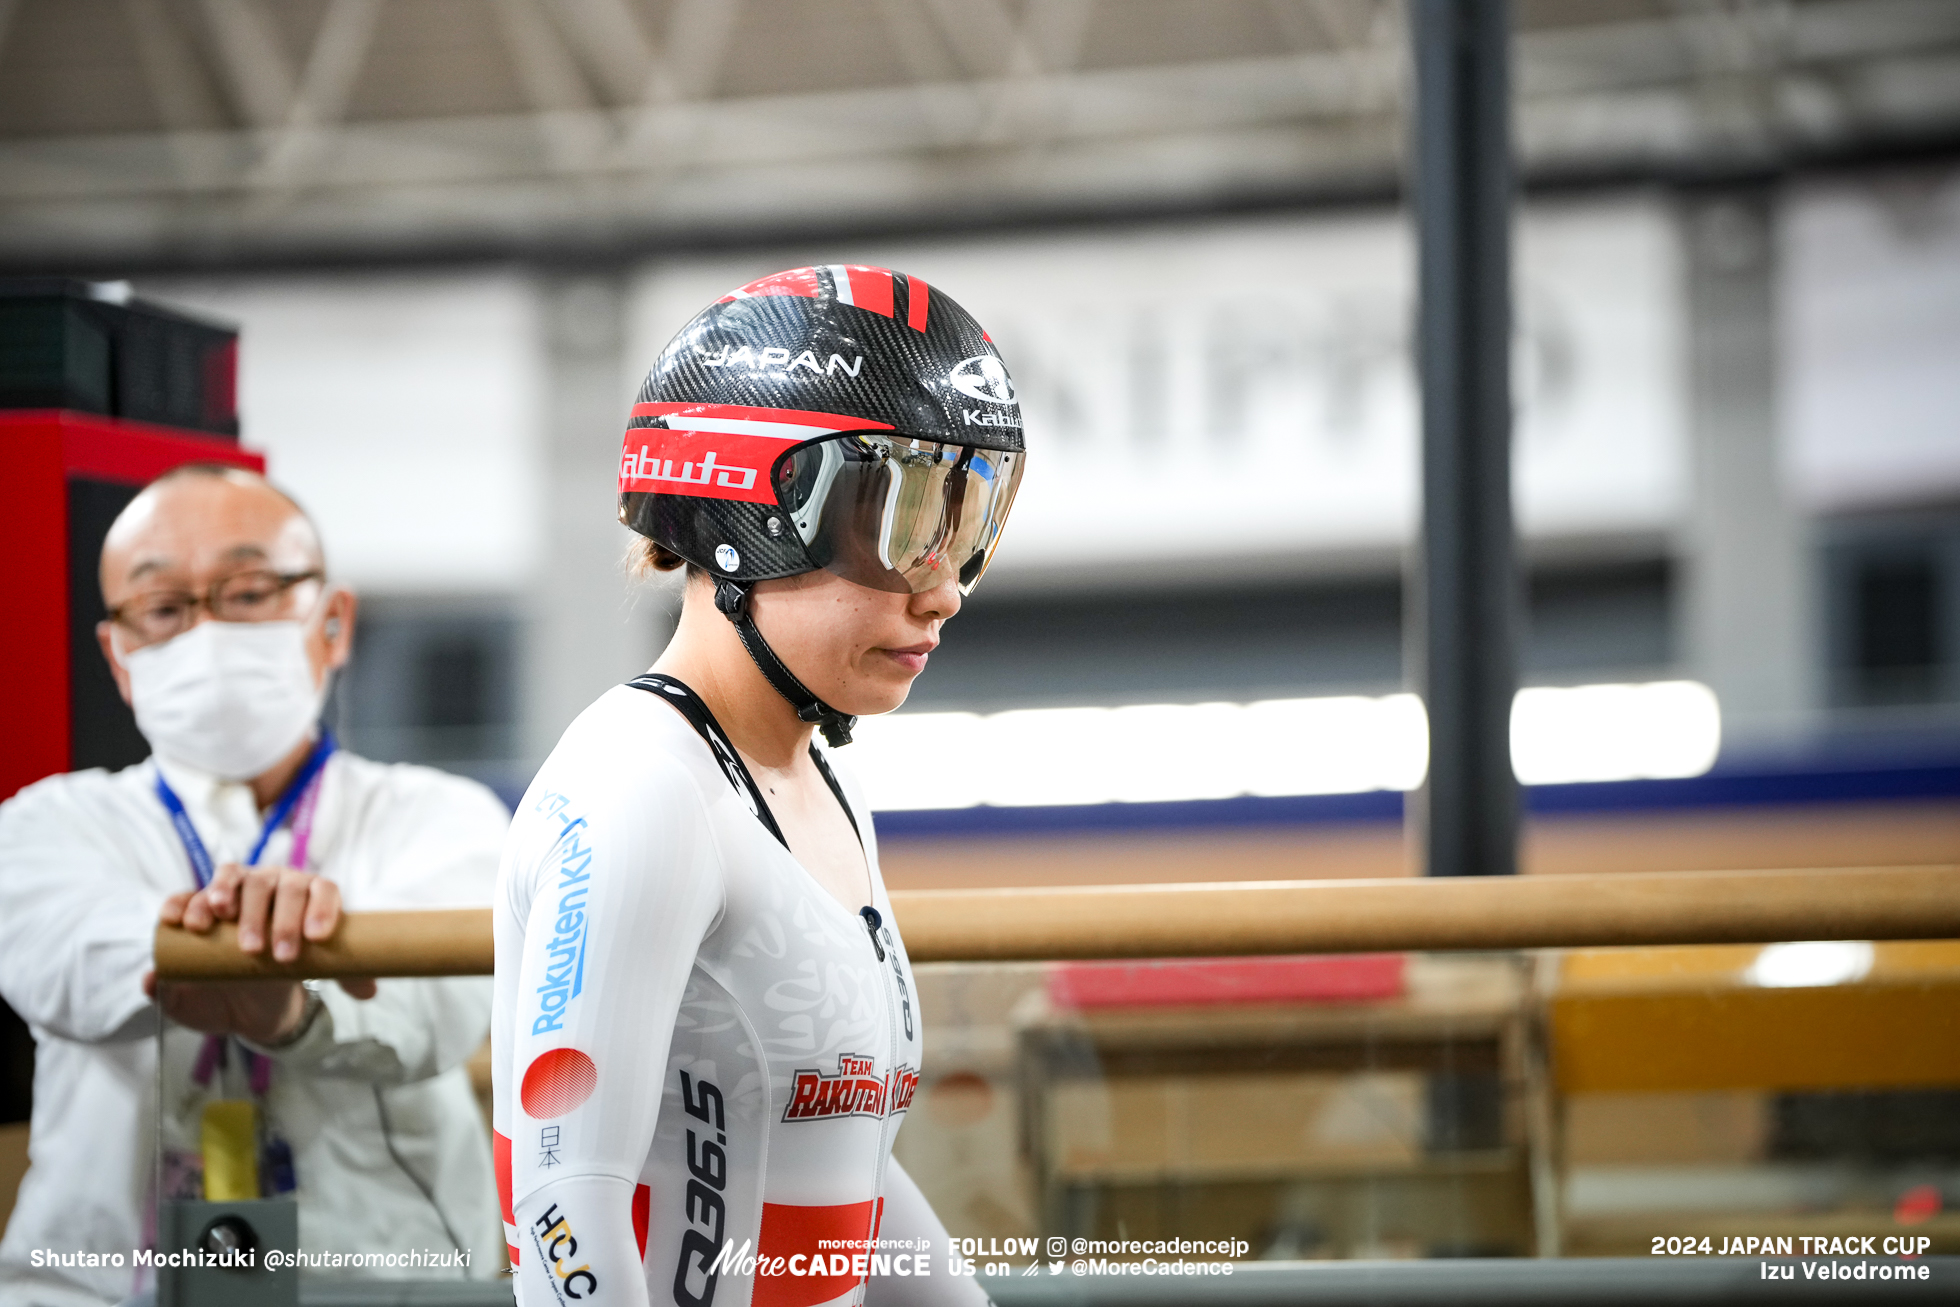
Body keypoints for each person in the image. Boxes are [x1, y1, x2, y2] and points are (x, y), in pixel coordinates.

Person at [493, 265, 1025, 1307]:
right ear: (748, 514)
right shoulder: (641, 789)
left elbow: (842, 1175)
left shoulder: (813, 774)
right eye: (904, 516)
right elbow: (563, 1203)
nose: (946, 586)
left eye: (967, 524)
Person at [0, 465, 509, 1306]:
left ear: (333, 621)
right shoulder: (45, 825)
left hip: (392, 1278)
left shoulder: (441, 816)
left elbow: (443, 1013)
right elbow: (59, 969)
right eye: (163, 608)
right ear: (119, 657)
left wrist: (294, 1006)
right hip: (90, 1288)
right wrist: (247, 947)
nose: (205, 635)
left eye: (247, 592)